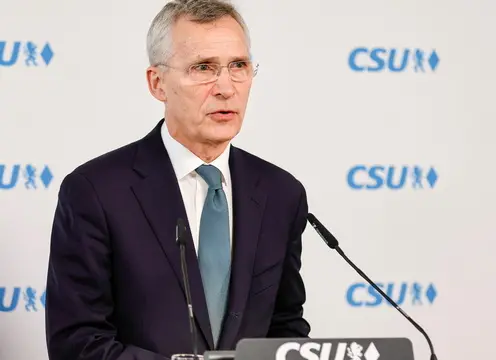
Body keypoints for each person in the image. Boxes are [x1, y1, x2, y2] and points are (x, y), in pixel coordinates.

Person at [44, 1, 311, 359]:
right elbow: (76, 342)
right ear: (158, 83)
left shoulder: (282, 193)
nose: (226, 88)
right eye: (203, 68)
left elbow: (285, 327)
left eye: (238, 66)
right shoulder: (96, 191)